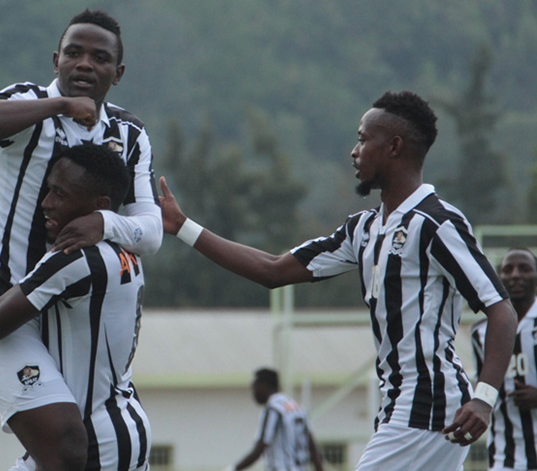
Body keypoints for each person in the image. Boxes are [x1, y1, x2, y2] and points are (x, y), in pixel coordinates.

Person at [159, 91, 517, 470]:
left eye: (363, 139)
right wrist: (182, 227)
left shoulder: (435, 223)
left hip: (427, 402)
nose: (354, 151)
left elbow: (500, 309)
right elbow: (272, 270)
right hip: (401, 403)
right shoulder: (362, 229)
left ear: (394, 147)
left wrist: (484, 397)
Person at [0, 8, 160, 470]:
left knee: (102, 436)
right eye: (74, 53)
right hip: (0, 307)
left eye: (99, 57)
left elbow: (149, 232)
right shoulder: (26, 103)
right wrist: (60, 105)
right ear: (56, 60)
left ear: (118, 73)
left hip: (68, 312)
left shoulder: (128, 135)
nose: (85, 64)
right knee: (69, 448)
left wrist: (106, 224)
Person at [0, 144, 151, 470]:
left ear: (98, 206)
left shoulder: (73, 258)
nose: (45, 202)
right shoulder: (125, 251)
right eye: (48, 189)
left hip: (88, 446)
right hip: (123, 426)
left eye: (59, 193)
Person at [472, 248, 537, 470]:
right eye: (507, 270)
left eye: (525, 269)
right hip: (503, 457)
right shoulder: (481, 333)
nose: (515, 275)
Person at [224, 368, 324, 471]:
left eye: (254, 387)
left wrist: (233, 468)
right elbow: (313, 450)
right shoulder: (298, 409)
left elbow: (259, 449)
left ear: (263, 385)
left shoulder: (273, 409)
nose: (253, 394)